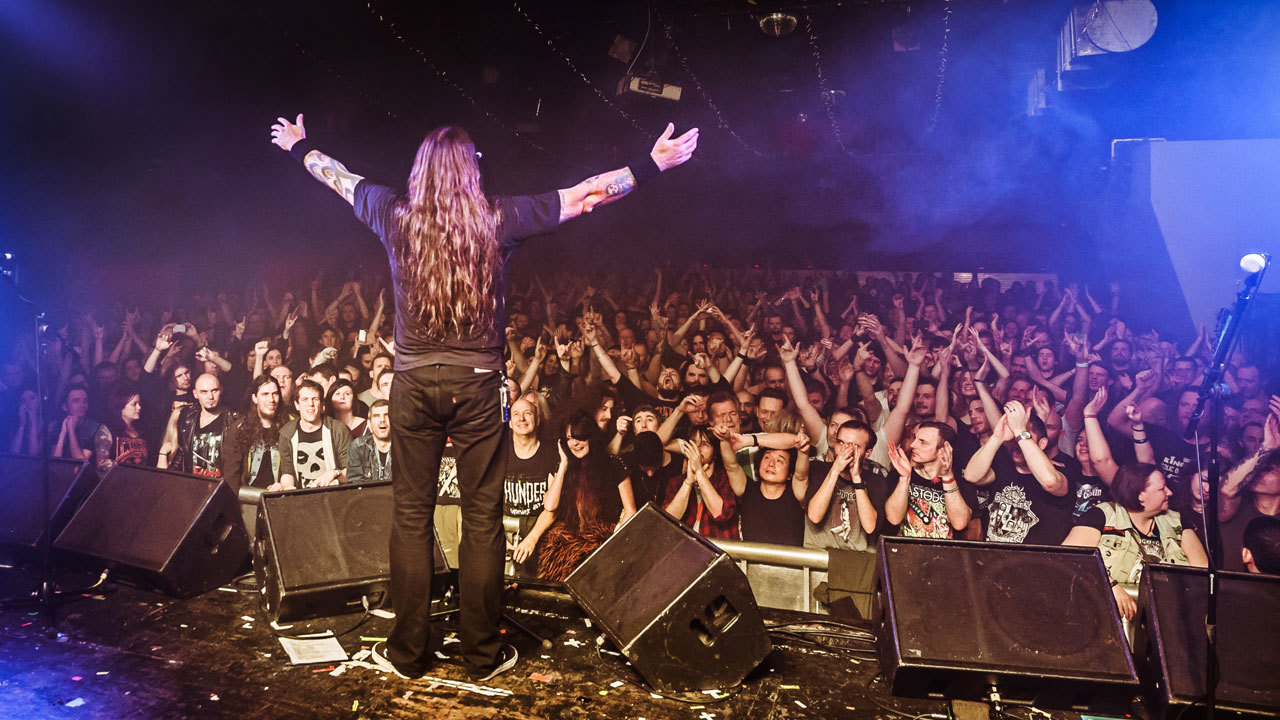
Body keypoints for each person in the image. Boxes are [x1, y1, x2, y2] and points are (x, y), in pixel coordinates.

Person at [271, 112, 696, 681]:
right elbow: (587, 195)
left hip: (414, 383)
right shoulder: (500, 217)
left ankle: (407, 652)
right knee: (481, 518)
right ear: (471, 171)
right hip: (476, 385)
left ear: (419, 171)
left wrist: (300, 148)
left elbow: (337, 177)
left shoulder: (392, 213)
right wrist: (650, 165)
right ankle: (480, 652)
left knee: (410, 518)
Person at [1062, 463, 1208, 619]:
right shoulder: (1103, 515)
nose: (1169, 492)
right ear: (1140, 495)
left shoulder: (1177, 522)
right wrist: (1110, 586)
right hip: (1106, 616)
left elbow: (1202, 574)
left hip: (1168, 618)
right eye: (1162, 488)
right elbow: (1069, 559)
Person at [537, 413, 637, 581]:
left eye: (579, 437)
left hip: (603, 542)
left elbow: (631, 511)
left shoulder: (613, 464)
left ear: (591, 437)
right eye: (569, 438)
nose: (574, 443)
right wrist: (563, 464)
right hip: (568, 542)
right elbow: (550, 505)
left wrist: (614, 537)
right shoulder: (563, 467)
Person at [884, 422, 972, 538]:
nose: (913, 445)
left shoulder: (962, 484)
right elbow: (894, 518)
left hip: (944, 554)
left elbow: (959, 523)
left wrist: (947, 478)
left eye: (923, 442)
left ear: (943, 450)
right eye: (915, 439)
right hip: (906, 553)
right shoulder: (898, 475)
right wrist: (905, 479)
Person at [503, 394, 558, 576]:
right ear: (510, 422)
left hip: (540, 530)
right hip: (504, 528)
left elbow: (553, 508)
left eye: (528, 413)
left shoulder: (552, 453)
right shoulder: (499, 453)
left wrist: (532, 539)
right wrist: (497, 538)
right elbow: (486, 502)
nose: (521, 418)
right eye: (516, 414)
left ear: (538, 419)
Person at [272, 379, 352, 490]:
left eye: (315, 399)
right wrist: (288, 487)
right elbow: (287, 472)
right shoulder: (287, 433)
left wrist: (335, 473)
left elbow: (352, 472)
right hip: (302, 497)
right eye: (305, 399)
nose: (310, 404)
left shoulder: (338, 430)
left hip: (334, 495)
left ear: (322, 404)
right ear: (297, 405)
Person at [159, 373, 235, 478]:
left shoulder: (233, 419)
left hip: (221, 486)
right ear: (195, 394)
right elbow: (182, 454)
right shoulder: (187, 417)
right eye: (204, 392)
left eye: (214, 390)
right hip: (193, 485)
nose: (210, 397)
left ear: (221, 390)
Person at [223, 375, 284, 491]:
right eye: (265, 394)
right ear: (255, 398)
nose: (271, 399)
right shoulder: (239, 429)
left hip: (279, 495)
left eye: (275, 394)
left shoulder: (289, 425)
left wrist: (284, 483)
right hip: (248, 497)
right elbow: (231, 475)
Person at [93, 389, 147, 476]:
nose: (139, 407)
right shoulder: (107, 430)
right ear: (121, 407)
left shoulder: (141, 430)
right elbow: (101, 463)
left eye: (139, 403)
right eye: (134, 404)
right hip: (116, 483)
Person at [347, 399, 392, 484]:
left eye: (387, 415)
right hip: (367, 496)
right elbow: (356, 484)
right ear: (369, 423)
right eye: (376, 416)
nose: (382, 420)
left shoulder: (406, 446)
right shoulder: (357, 447)